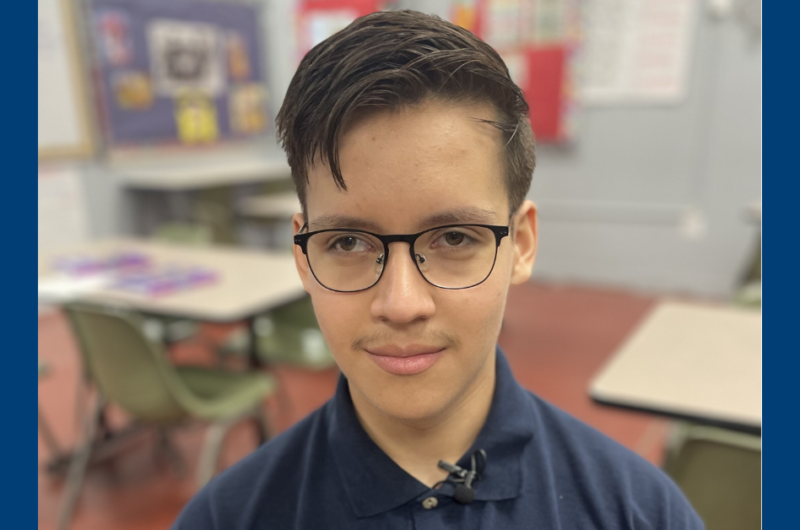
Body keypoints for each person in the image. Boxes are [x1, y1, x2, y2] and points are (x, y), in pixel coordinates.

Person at [173, 10, 703, 529]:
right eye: (349, 241)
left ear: (520, 244)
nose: (401, 304)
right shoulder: (227, 517)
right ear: (303, 257)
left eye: (454, 237)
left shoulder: (639, 511)